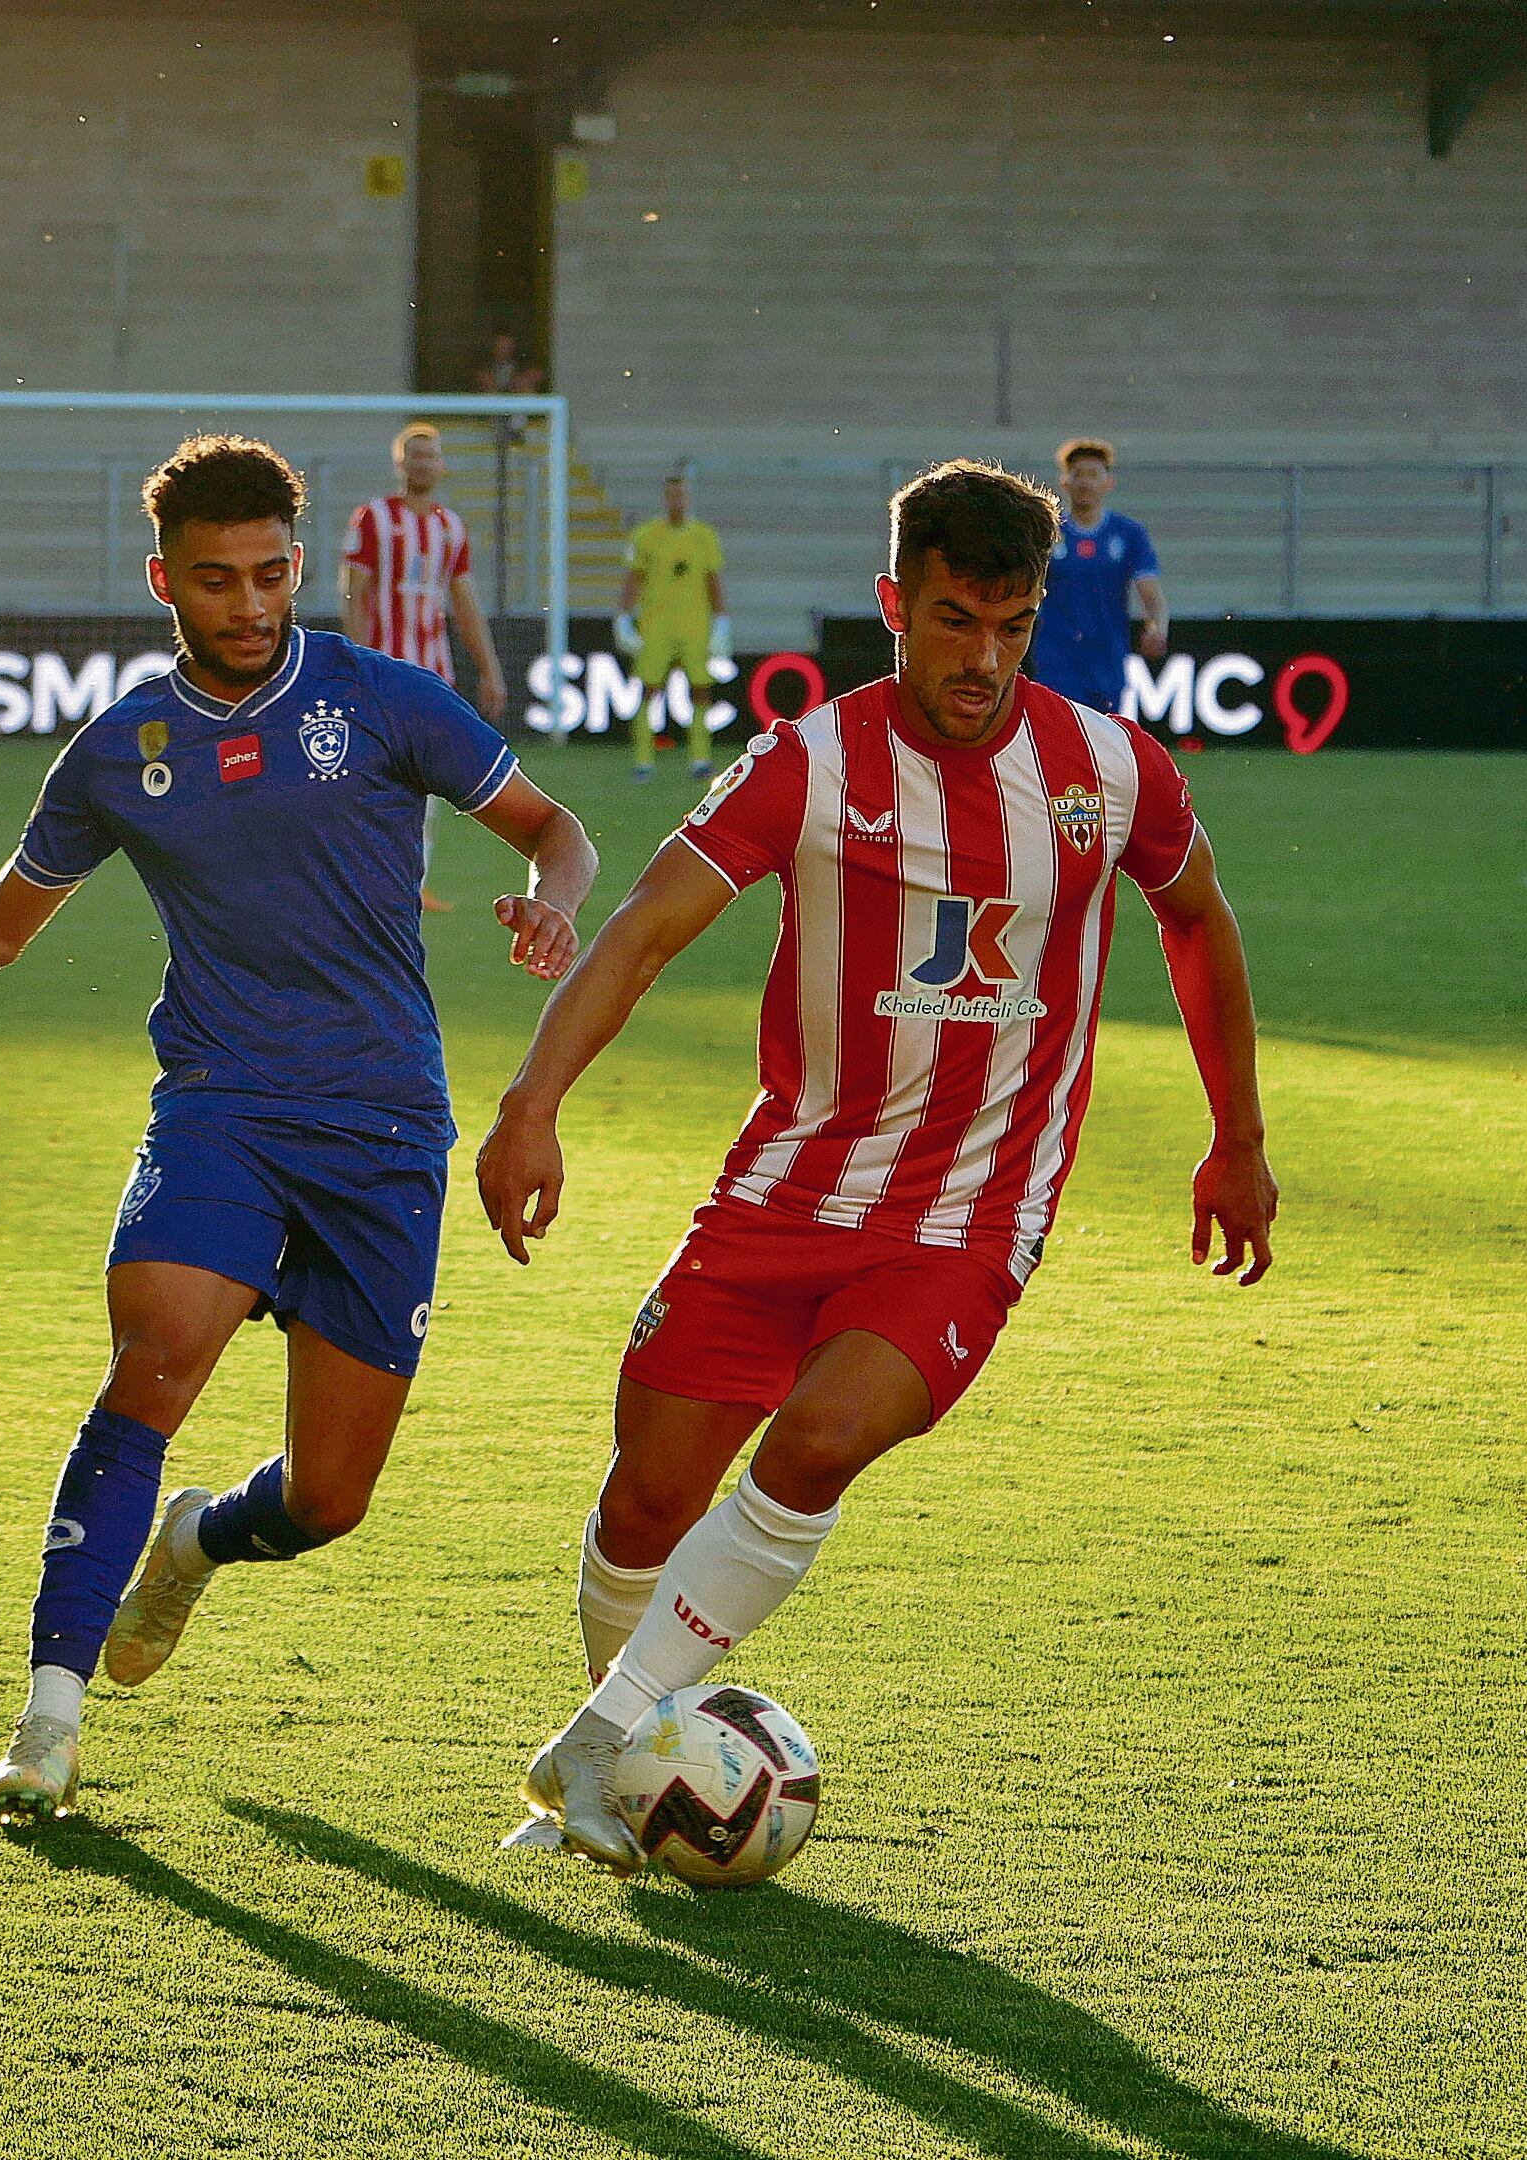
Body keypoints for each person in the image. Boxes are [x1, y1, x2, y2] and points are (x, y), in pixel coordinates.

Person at [0, 435, 596, 1825]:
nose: (248, 605)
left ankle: (196, 1540)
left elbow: (553, 827)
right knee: (158, 1353)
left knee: (328, 1497)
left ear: (299, 568)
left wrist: (554, 899)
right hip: (220, 1105)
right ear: (164, 583)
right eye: (216, 582)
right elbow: (2, 922)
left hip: (383, 1126)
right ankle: (47, 1724)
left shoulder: (386, 700)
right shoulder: (120, 753)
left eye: (269, 576)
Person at [474, 459, 1279, 1873]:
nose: (984, 659)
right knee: (644, 1502)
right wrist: (533, 1100)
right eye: (956, 620)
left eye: (1014, 627)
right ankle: (627, 1754)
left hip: (973, 1209)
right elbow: (648, 927)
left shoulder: (1107, 772)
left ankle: (596, 1746)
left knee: (823, 1441)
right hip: (783, 1190)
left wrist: (1240, 1137)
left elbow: (1199, 920)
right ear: (892, 604)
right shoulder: (811, 765)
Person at [344, 421, 510, 914]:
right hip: (380, 672)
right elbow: (355, 592)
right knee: (365, 774)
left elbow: (464, 603)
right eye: (414, 455)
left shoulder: (451, 527)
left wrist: (490, 667)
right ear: (400, 463)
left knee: (428, 785)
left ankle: (410, 883)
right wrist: (355, 661)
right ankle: (357, 875)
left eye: (431, 455)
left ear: (441, 464)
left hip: (433, 676)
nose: (423, 463)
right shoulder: (372, 519)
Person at [1029, 438, 1167, 715]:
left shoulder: (1129, 534)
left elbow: (1150, 592)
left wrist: (1159, 627)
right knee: (1058, 735)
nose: (1085, 482)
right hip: (1056, 655)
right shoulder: (1049, 532)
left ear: (1108, 482)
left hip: (1107, 655)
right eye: (1078, 474)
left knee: (1103, 738)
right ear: (1065, 482)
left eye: (1093, 475)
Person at [613, 466, 730, 782]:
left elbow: (712, 580)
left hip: (694, 625)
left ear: (687, 497)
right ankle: (643, 760)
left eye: (681, 494)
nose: (676, 500)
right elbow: (633, 579)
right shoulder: (647, 536)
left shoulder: (704, 536)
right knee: (649, 690)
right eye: (671, 494)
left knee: (701, 691)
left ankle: (701, 760)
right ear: (665, 498)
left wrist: (721, 620)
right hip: (656, 626)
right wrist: (624, 617)